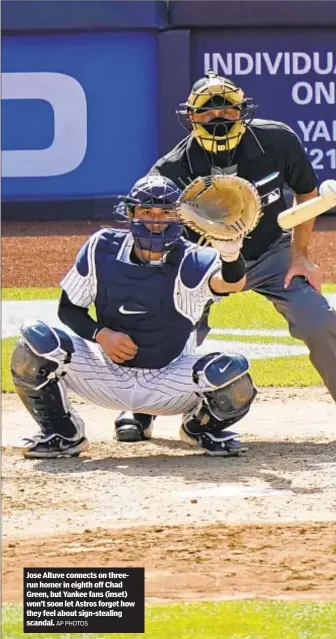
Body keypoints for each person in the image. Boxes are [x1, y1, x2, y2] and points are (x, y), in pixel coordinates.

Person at [114, 69, 336, 443]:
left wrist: (301, 256)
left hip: (270, 252)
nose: (218, 117)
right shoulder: (171, 168)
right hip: (203, 260)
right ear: (191, 117)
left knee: (318, 318)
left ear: (242, 111)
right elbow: (155, 223)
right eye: (207, 111)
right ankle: (141, 408)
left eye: (227, 109)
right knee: (166, 324)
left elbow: (307, 194)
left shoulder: (277, 140)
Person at [11, 174, 257, 459]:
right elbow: (68, 308)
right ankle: (63, 433)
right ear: (130, 213)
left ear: (180, 216)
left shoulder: (194, 258)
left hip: (169, 381)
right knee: (33, 343)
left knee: (234, 375)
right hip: (104, 374)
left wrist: (231, 255)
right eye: (146, 212)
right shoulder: (101, 247)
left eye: (165, 213)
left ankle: (199, 428)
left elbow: (231, 283)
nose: (156, 220)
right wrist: (101, 335)